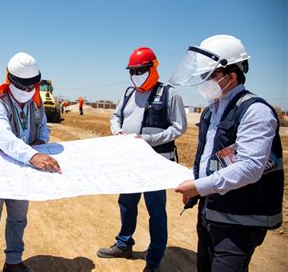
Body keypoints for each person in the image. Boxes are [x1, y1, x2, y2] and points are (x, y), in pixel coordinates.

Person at [171, 35, 284, 271]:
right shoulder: (210, 111)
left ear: (231, 76)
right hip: (210, 214)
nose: (202, 82)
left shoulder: (255, 111)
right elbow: (207, 158)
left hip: (239, 222)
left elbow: (250, 168)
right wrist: (197, 187)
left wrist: (199, 186)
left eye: (208, 76)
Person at [97, 47, 187, 272]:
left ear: (153, 68)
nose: (137, 75)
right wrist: (117, 131)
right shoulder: (128, 93)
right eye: (133, 71)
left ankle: (154, 260)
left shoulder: (169, 93)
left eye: (141, 70)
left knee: (156, 210)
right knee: (126, 203)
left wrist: (148, 139)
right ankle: (123, 244)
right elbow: (115, 116)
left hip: (154, 163)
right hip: (129, 162)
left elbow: (179, 127)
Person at [0, 52, 61, 272]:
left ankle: (13, 262)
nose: (27, 91)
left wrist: (41, 141)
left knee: (18, 217)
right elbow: (4, 138)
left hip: (22, 170)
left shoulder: (36, 101)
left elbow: (43, 125)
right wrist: (33, 156)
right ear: (9, 80)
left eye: (31, 86)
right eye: (22, 86)